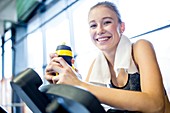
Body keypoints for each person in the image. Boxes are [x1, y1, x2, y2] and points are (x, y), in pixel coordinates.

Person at [45, 1, 170, 113]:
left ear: (122, 27)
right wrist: (65, 84)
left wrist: (80, 84)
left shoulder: (140, 48)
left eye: (107, 22)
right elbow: (85, 104)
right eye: (93, 25)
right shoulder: (96, 65)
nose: (99, 30)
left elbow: (155, 105)